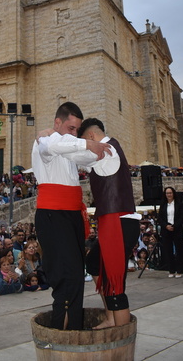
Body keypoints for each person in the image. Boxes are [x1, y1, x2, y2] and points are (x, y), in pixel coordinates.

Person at [32, 102, 111, 330]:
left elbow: (85, 156)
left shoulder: (67, 146)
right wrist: (87, 142)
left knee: (76, 275)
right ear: (57, 122)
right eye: (71, 127)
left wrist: (101, 149)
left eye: (78, 129)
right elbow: (56, 144)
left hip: (72, 215)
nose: (74, 133)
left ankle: (73, 330)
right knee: (66, 279)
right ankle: (63, 337)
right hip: (53, 215)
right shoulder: (45, 141)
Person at [78, 118, 140, 327]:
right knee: (94, 263)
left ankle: (119, 331)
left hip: (119, 224)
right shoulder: (107, 152)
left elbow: (81, 158)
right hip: (117, 223)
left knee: (116, 280)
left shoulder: (107, 151)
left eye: (86, 142)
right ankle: (111, 317)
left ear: (91, 137)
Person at [157, 187, 183, 278]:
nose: (169, 195)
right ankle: (171, 270)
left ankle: (180, 270)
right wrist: (166, 226)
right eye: (167, 193)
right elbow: (160, 218)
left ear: (173, 193)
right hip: (166, 229)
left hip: (176, 228)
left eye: (170, 193)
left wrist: (175, 225)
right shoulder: (163, 205)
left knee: (179, 250)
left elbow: (182, 216)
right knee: (168, 250)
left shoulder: (179, 204)